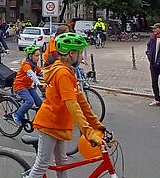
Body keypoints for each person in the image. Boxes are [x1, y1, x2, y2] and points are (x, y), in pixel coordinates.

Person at [25, 32, 105, 178]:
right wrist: (88, 132)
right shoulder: (62, 74)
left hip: (60, 124)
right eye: (81, 53)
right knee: (41, 165)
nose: (82, 57)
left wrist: (98, 125)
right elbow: (72, 105)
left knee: (62, 162)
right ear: (72, 54)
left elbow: (81, 101)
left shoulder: (68, 71)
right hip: (50, 124)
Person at [12, 45, 43, 126]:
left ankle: (37, 120)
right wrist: (38, 83)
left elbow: (41, 73)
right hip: (20, 86)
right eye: (36, 55)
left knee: (40, 103)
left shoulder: (34, 64)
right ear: (30, 56)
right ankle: (17, 115)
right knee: (30, 101)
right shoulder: (26, 64)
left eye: (39, 55)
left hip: (29, 86)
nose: (38, 57)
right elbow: (31, 74)